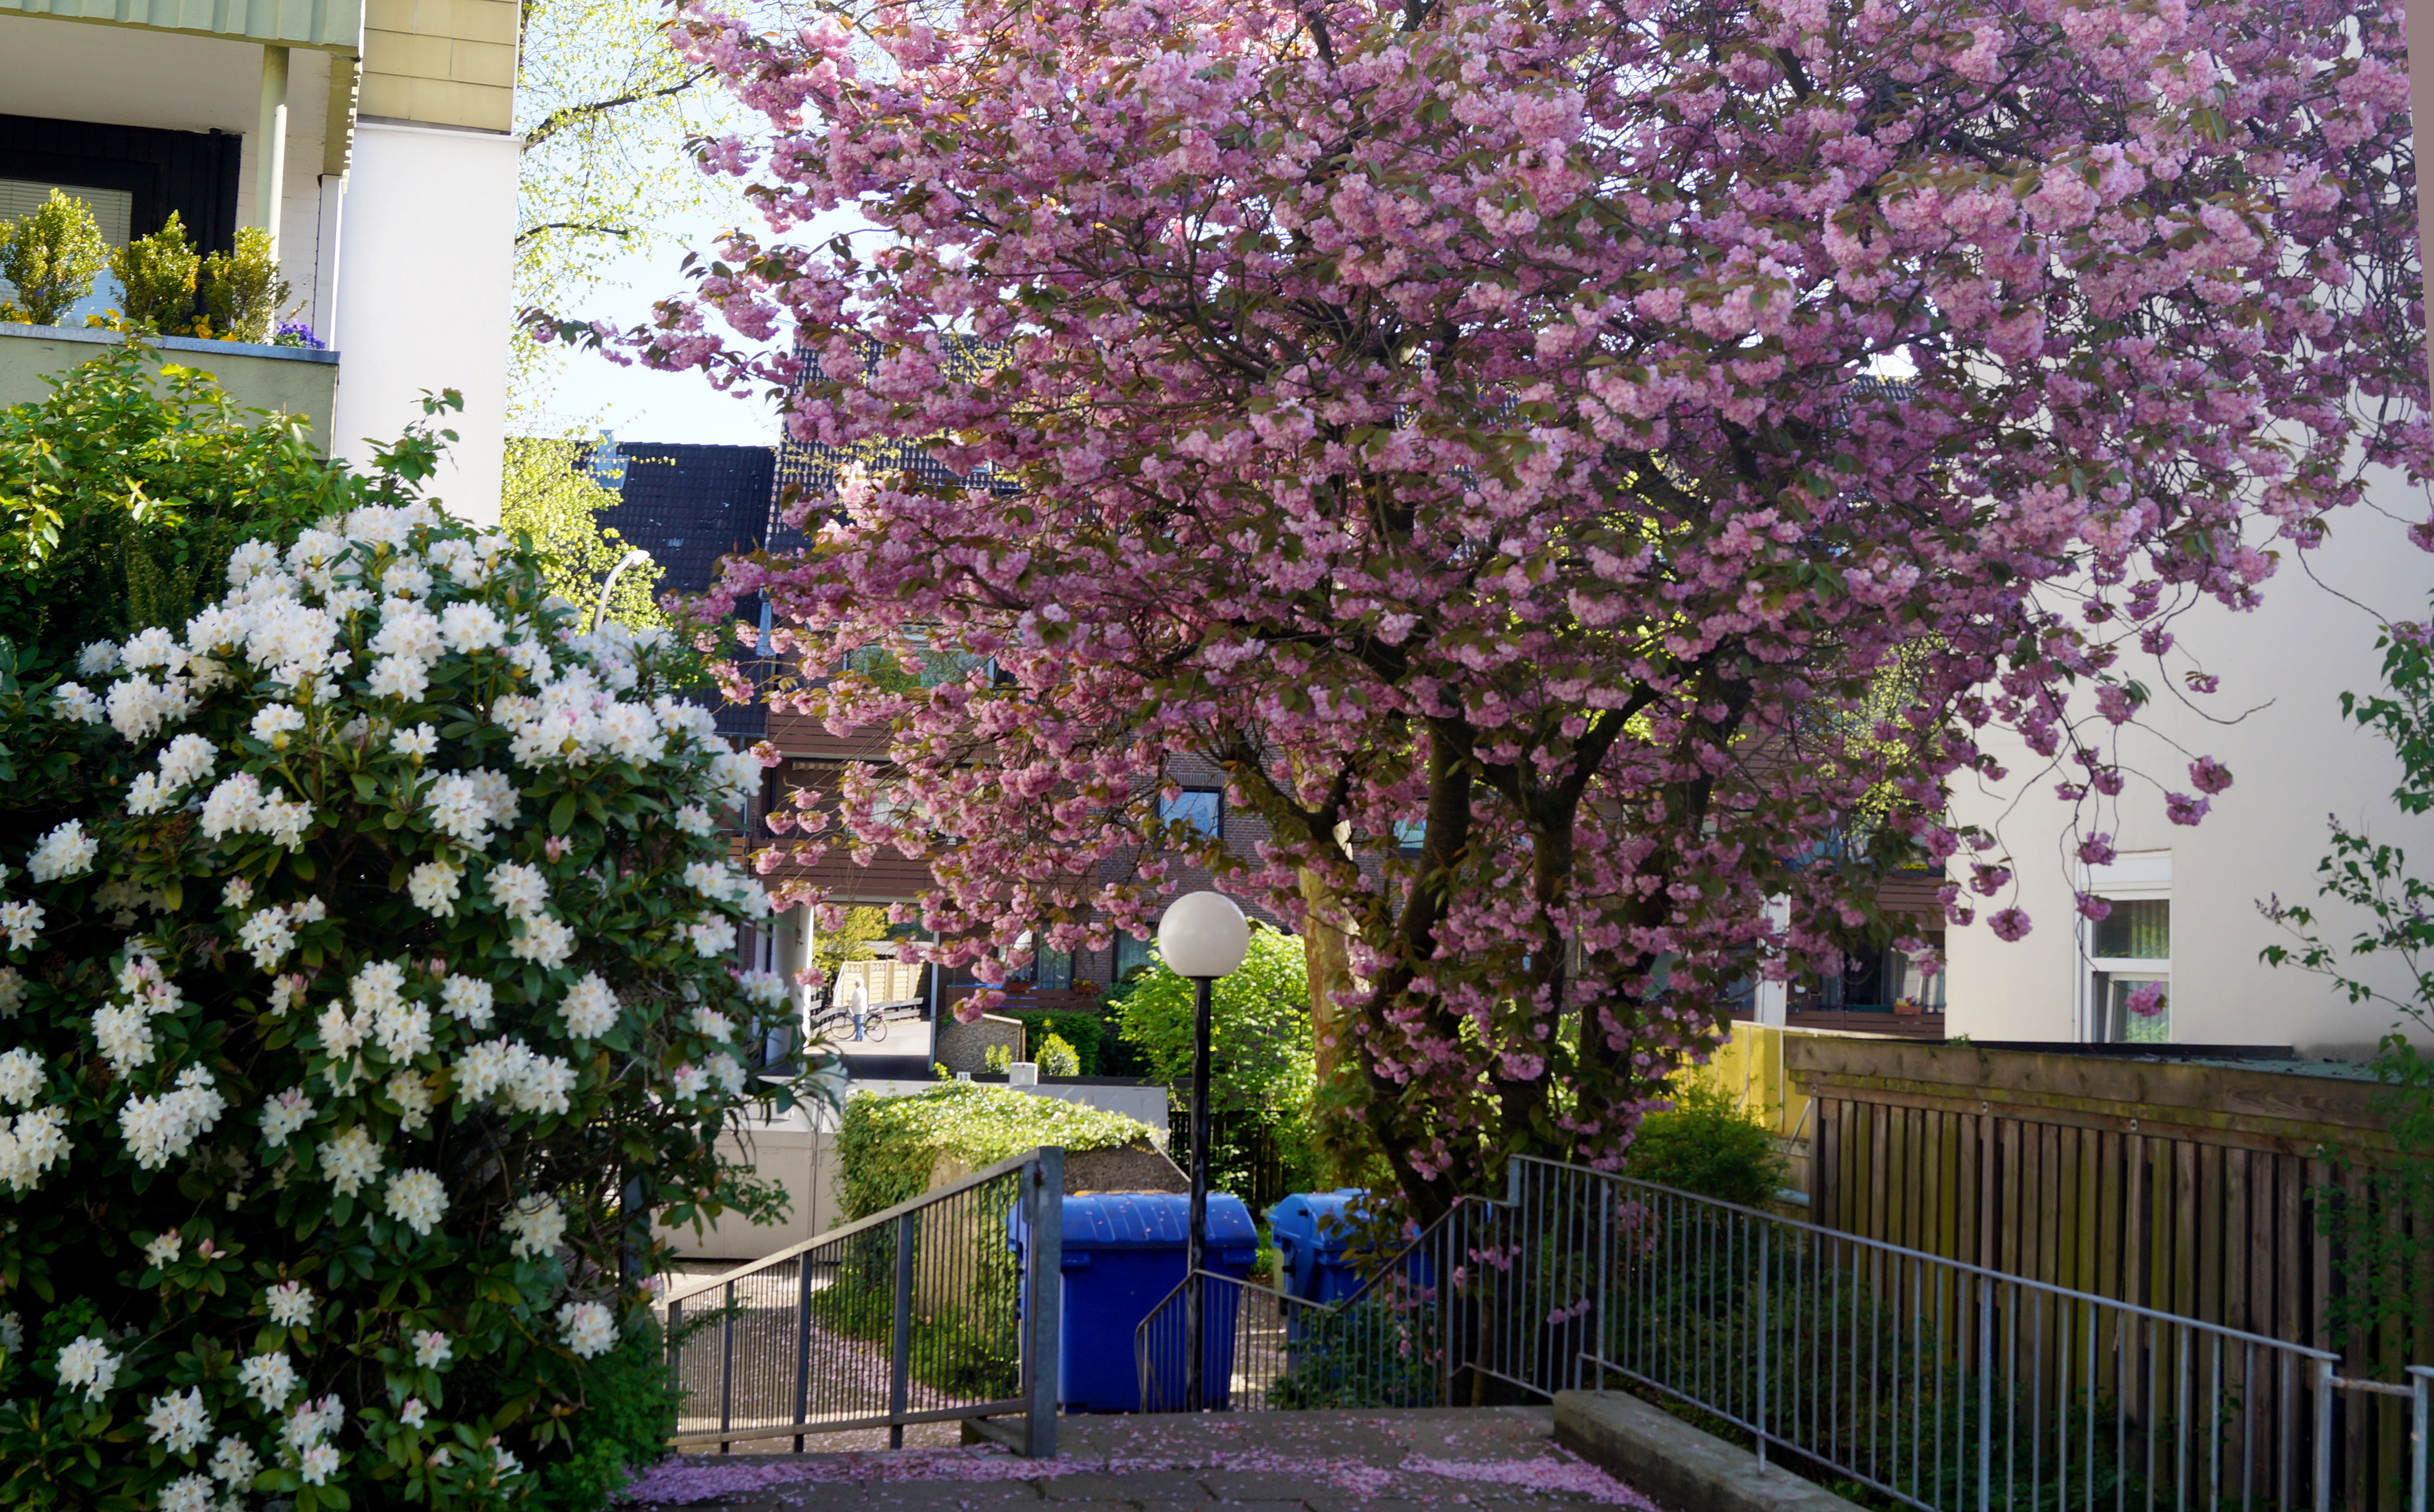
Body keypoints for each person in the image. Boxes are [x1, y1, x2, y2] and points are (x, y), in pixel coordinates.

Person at [846, 973, 870, 1042]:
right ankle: (860, 1037)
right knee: (861, 1024)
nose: (855, 985)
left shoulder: (857, 991)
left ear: (858, 984)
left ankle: (858, 1038)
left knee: (858, 1024)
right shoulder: (864, 990)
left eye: (856, 983)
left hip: (858, 1009)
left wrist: (849, 1001)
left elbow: (854, 1001)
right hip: (863, 1008)